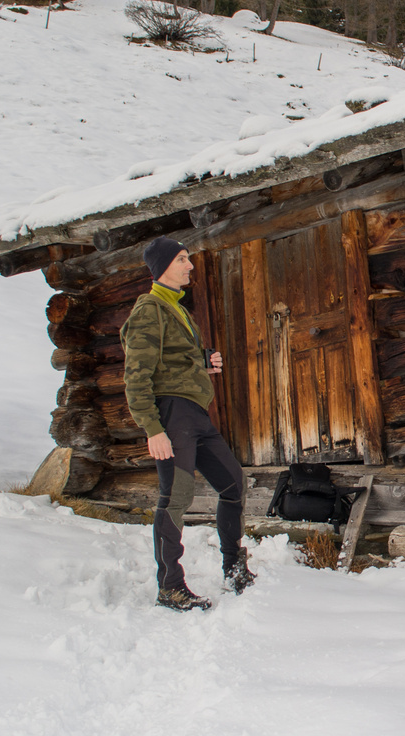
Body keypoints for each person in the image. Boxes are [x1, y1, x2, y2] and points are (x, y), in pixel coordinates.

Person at [121, 236, 254, 610]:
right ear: (163, 266)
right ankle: (170, 586)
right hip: (171, 414)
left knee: (233, 483)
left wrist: (204, 359)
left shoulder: (177, 310)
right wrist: (153, 428)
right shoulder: (149, 310)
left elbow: (174, 358)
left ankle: (233, 566)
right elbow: (136, 375)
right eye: (182, 259)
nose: (190, 266)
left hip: (196, 414)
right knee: (176, 498)